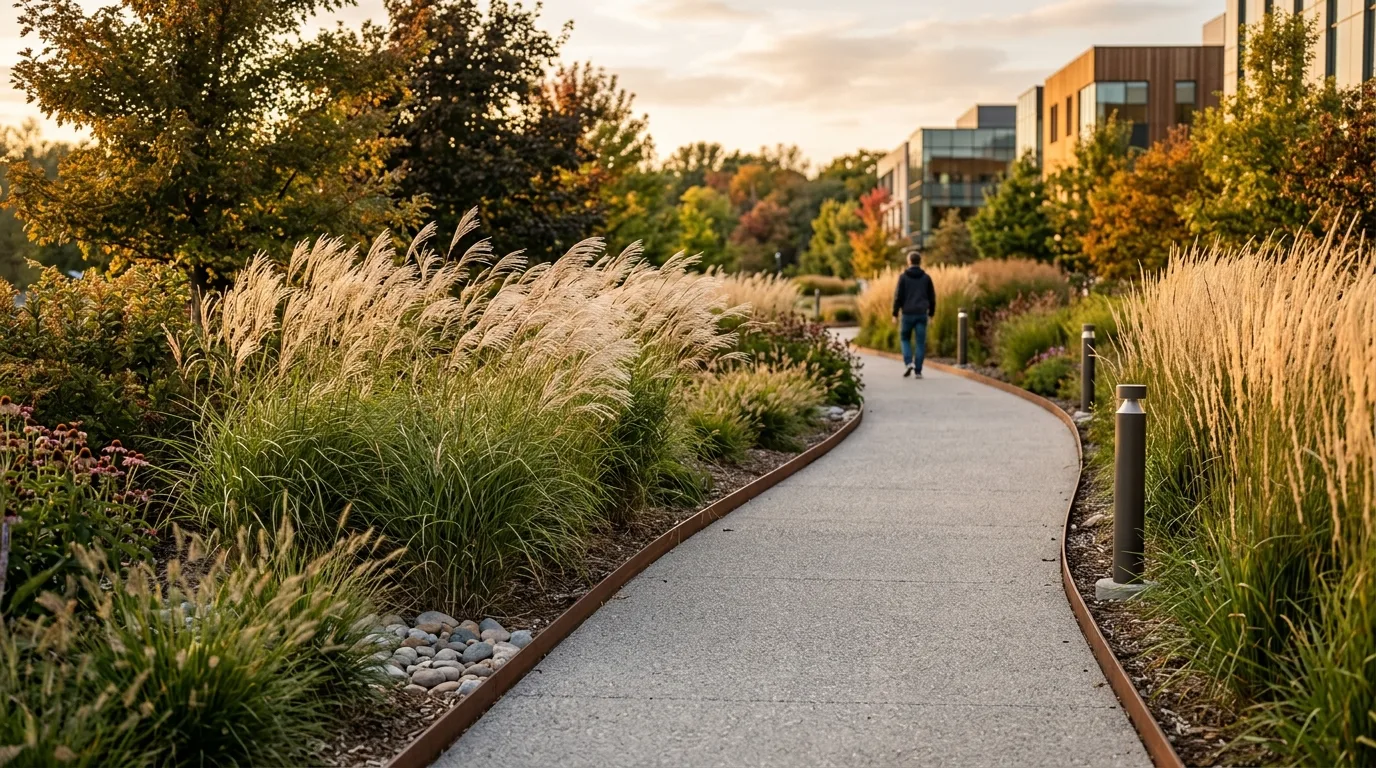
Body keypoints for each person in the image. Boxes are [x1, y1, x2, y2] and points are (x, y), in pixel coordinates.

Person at [892, 249, 936, 378]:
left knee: (905, 339)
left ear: (909, 261)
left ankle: (908, 362)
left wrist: (895, 314)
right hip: (922, 314)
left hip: (907, 314)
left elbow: (898, 297)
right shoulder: (926, 278)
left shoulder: (903, 277)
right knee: (920, 342)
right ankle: (918, 371)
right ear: (920, 261)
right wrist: (931, 314)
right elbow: (932, 297)